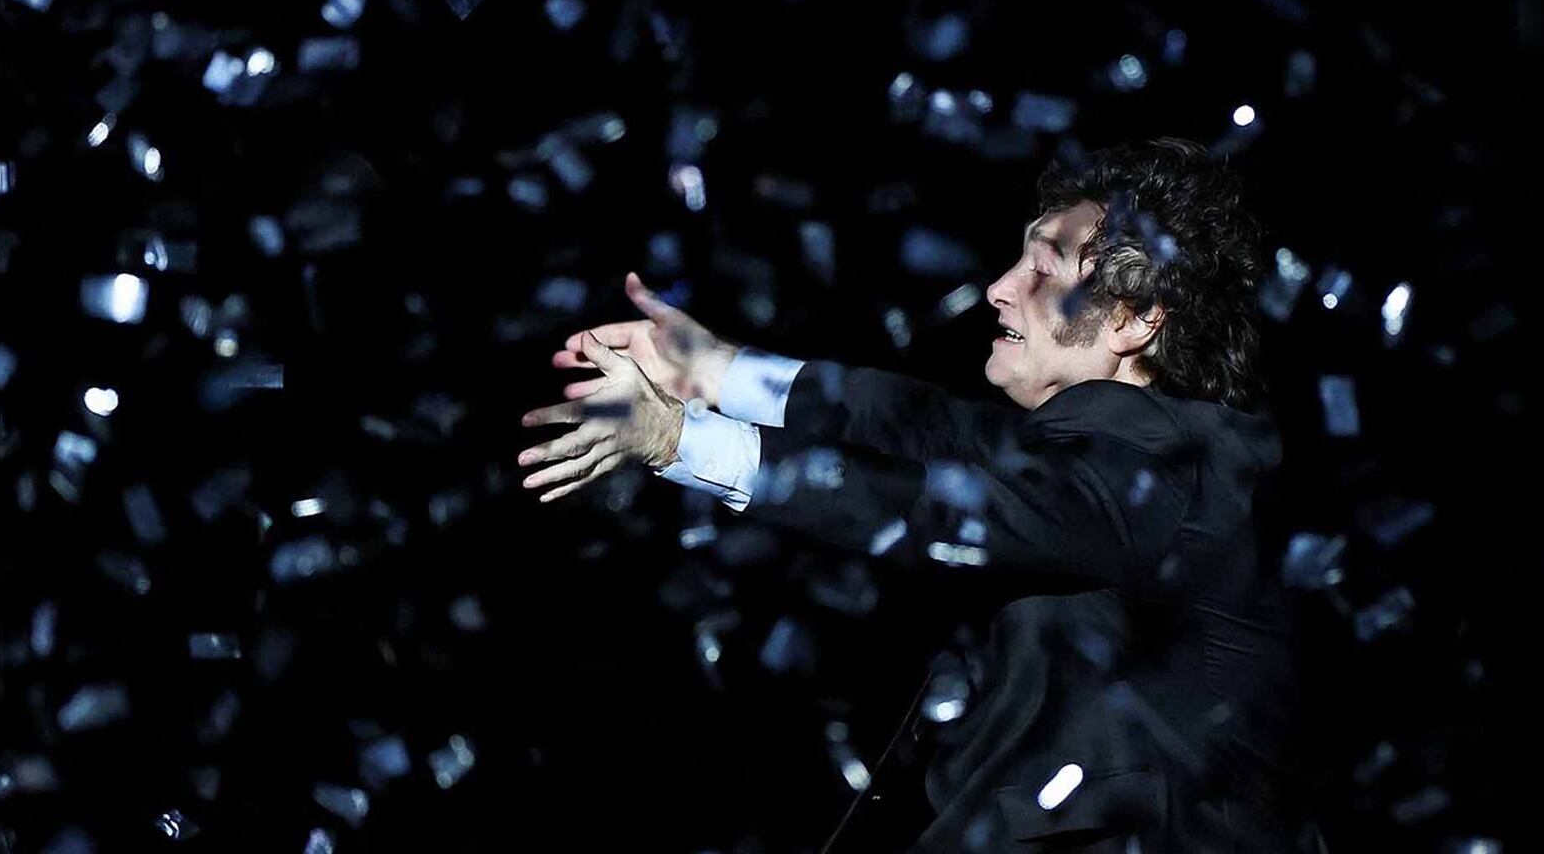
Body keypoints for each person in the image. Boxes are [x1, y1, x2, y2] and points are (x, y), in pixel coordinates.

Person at [517, 138, 1318, 852]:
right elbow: (920, 425)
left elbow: (942, 503)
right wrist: (713, 370)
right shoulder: (1131, 449)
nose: (1001, 289)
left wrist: (678, 438)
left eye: (1042, 269)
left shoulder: (1161, 464)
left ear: (1135, 318)